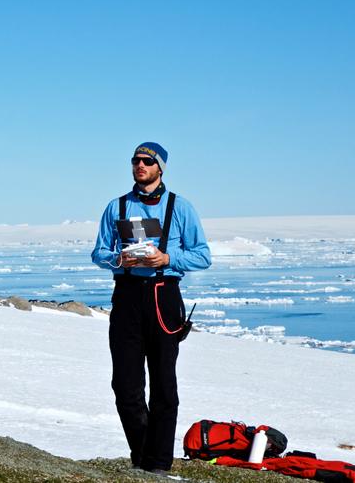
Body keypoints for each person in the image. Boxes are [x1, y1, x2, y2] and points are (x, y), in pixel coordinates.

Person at [91, 142, 211, 474]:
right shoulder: (116, 207)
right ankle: (145, 454)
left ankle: (156, 464)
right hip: (127, 295)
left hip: (163, 294)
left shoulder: (180, 207)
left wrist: (168, 258)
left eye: (148, 161)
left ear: (161, 167)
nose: (140, 165)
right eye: (136, 161)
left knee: (163, 385)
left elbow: (202, 255)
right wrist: (118, 258)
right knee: (125, 385)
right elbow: (98, 252)